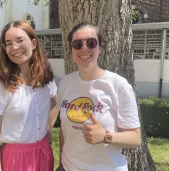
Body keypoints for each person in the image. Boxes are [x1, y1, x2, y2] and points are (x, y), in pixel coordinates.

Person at [51, 23, 141, 171]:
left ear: (99, 48)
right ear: (71, 50)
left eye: (91, 43)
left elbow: (135, 138)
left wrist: (105, 136)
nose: (84, 48)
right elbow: (64, 130)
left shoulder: (117, 84)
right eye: (77, 44)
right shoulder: (66, 83)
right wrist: (62, 162)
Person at [0, 21, 57, 171]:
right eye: (8, 43)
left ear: (33, 43)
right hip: (16, 160)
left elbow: (55, 104)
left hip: (44, 155)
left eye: (19, 40)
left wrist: (48, 127)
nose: (15, 47)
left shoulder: (46, 80)